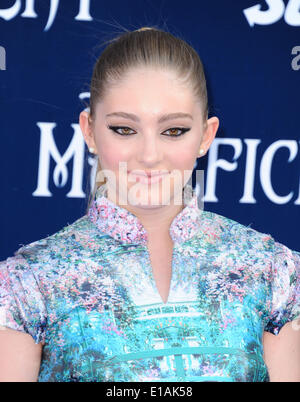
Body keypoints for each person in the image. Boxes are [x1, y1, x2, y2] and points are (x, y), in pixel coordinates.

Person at [0, 27, 299, 382]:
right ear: (90, 130)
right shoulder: (27, 283)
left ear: (206, 135)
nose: (149, 155)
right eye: (125, 129)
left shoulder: (273, 272)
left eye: (173, 130)